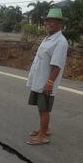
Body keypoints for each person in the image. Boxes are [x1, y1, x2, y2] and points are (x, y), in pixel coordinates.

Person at [26, 8, 68, 145]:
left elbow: (57, 65)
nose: (49, 23)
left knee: (44, 108)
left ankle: (42, 136)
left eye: (53, 22)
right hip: (39, 79)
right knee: (40, 107)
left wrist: (49, 83)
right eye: (48, 21)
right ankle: (44, 129)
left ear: (60, 24)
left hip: (46, 81)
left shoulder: (61, 41)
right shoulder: (48, 37)